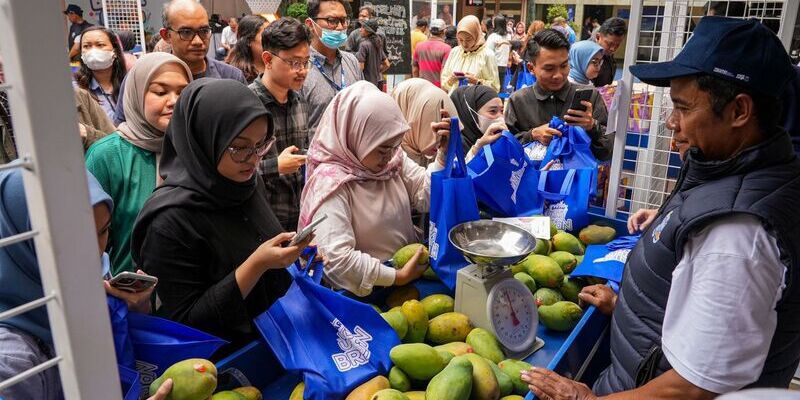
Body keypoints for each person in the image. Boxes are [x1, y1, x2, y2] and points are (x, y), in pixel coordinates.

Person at [522, 17, 800, 399]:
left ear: (739, 111)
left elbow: (690, 389)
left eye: (684, 108)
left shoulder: (738, 237)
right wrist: (626, 310)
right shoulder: (730, 172)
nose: (671, 122)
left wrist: (584, 398)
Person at [131, 79, 311, 355]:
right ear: (204, 140)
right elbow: (188, 325)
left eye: (261, 145)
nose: (254, 159)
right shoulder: (168, 222)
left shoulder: (247, 184)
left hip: (279, 340)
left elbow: (255, 241)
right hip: (220, 367)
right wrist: (257, 265)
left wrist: (292, 256)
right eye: (239, 147)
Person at [0, 168, 156, 400]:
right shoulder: (11, 361)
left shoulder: (92, 274)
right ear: (21, 239)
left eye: (103, 232)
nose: (94, 253)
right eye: (74, 238)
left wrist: (134, 307)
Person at [298, 82, 438, 297]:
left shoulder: (393, 161)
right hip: (361, 295)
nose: (390, 156)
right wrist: (395, 277)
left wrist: (444, 156)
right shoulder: (330, 183)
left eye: (394, 146)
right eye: (382, 149)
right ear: (356, 136)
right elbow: (337, 260)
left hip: (406, 284)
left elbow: (425, 194)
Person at [86, 53, 192, 275]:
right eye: (160, 92)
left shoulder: (195, 149)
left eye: (183, 92)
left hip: (192, 294)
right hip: (128, 297)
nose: (174, 101)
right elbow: (89, 241)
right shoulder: (107, 155)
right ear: (136, 93)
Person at [112, 0, 245, 125]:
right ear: (166, 35)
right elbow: (122, 126)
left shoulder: (231, 77)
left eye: (204, 31)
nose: (198, 41)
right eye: (186, 32)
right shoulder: (140, 77)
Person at [505, 29, 612, 161]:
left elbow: (608, 150)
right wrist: (532, 135)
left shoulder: (590, 97)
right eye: (549, 69)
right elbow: (505, 149)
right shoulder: (518, 101)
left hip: (577, 179)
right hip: (532, 179)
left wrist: (592, 126)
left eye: (564, 66)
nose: (558, 75)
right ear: (531, 68)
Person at [249, 17, 311, 232]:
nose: (302, 70)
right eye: (294, 63)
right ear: (267, 59)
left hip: (299, 220)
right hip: (261, 222)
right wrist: (274, 166)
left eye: (306, 62)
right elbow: (230, 171)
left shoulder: (299, 101)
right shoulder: (246, 105)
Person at [301, 0, 363, 138]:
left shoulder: (351, 62)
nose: (340, 27)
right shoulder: (300, 67)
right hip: (316, 156)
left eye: (344, 20)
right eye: (332, 20)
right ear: (310, 24)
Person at [391, 78, 458, 167]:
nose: (438, 138)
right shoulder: (389, 163)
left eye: (442, 128)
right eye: (428, 127)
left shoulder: (445, 150)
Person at [74, 27, 128, 122]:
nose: (93, 51)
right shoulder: (76, 89)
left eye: (100, 45)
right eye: (87, 46)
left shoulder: (129, 83)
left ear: (114, 50)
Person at [440, 15, 500, 94]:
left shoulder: (487, 54)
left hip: (476, 104)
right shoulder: (455, 52)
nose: (464, 44)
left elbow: (495, 88)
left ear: (476, 35)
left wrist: (477, 82)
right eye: (460, 40)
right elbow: (444, 82)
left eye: (468, 39)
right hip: (455, 102)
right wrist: (452, 79)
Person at [450, 84, 507, 153]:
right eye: (493, 111)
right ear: (472, 114)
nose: (500, 117)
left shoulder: (489, 142)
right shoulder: (453, 146)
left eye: (502, 111)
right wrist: (476, 149)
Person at [226, 15, 269, 83]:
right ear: (248, 41)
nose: (271, 39)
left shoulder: (278, 66)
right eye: (265, 35)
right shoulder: (238, 76)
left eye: (271, 34)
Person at [412, 18, 452, 88]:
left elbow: (415, 69)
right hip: (438, 89)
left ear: (430, 31)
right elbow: (444, 73)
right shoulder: (447, 49)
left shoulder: (419, 46)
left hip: (422, 87)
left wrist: (417, 85)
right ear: (444, 31)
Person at [591, 17, 626, 87]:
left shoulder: (608, 55)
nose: (613, 49)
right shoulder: (585, 55)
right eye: (609, 44)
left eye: (617, 45)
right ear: (598, 37)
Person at [357, 19, 389, 89]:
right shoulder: (378, 44)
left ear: (368, 30)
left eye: (363, 27)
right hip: (379, 82)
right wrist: (377, 71)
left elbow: (361, 68)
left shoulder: (363, 45)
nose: (360, 30)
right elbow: (387, 64)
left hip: (367, 84)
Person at [486, 15, 512, 86]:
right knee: (501, 85)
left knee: (493, 86)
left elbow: (487, 52)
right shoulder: (508, 36)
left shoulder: (492, 37)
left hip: (493, 65)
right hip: (503, 64)